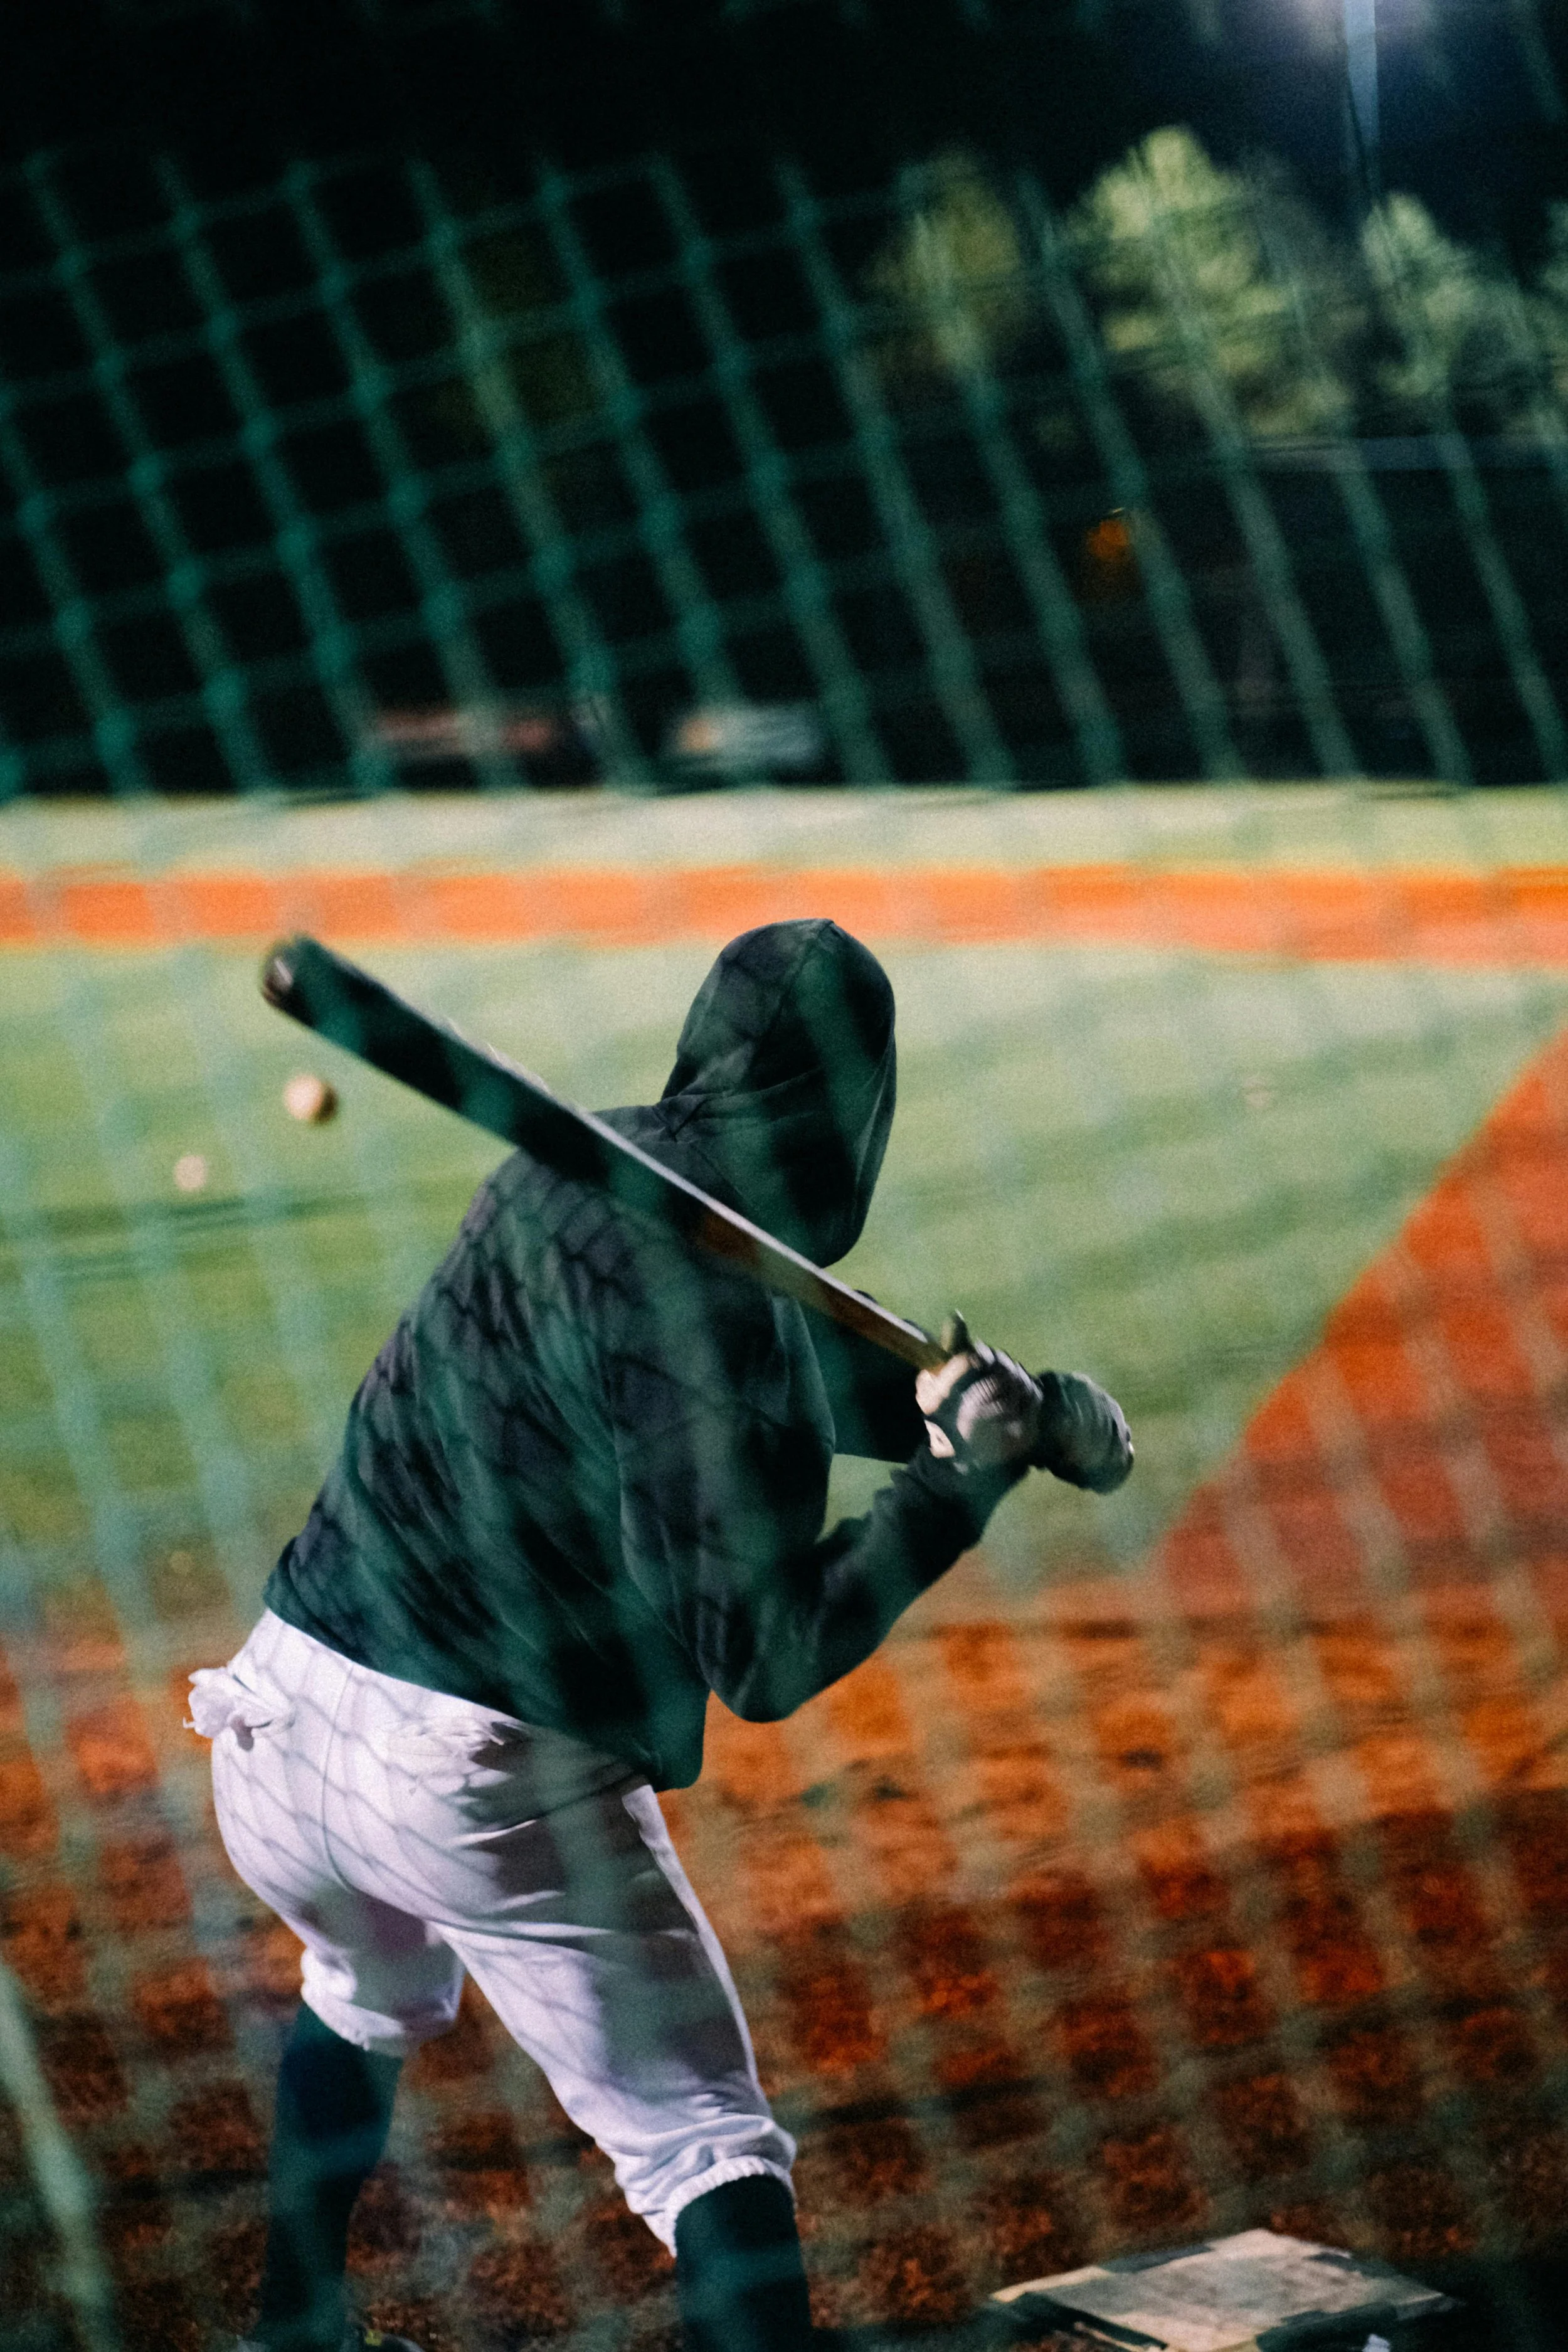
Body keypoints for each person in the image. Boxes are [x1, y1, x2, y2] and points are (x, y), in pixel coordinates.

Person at [189, 919, 1131, 2352]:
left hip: (278, 1719)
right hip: (471, 1778)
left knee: (365, 1986)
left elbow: (775, 1365)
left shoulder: (573, 1169)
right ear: (859, 1104)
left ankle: (290, 2331)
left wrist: (1020, 1415)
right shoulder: (713, 1291)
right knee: (703, 2143)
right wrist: (955, 1488)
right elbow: (761, 1656)